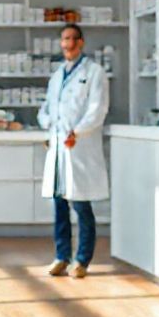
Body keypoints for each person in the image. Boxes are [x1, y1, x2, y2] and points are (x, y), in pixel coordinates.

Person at [38, 23, 109, 279]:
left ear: (80, 43)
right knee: (59, 204)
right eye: (63, 40)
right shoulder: (57, 76)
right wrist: (51, 128)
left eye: (71, 39)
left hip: (78, 146)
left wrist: (76, 132)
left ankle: (82, 260)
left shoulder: (94, 73)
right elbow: (45, 109)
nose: (67, 44)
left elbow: (97, 110)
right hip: (58, 146)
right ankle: (61, 257)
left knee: (81, 204)